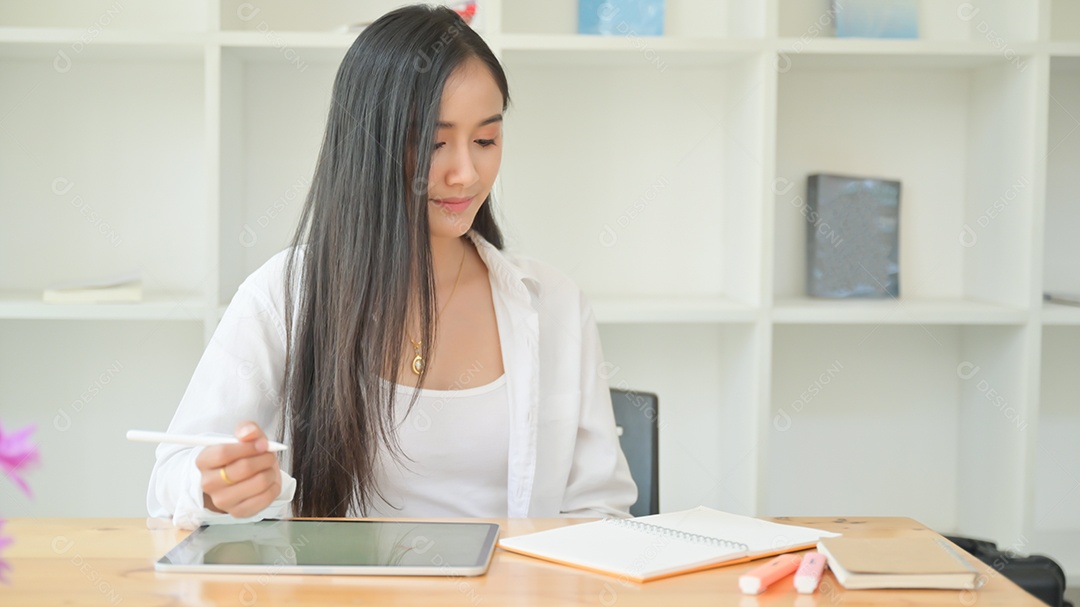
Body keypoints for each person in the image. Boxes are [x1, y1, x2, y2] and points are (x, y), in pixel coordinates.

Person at [147, 4, 636, 529]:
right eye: (433, 142)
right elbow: (169, 481)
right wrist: (220, 486)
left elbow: (599, 510)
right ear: (367, 143)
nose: (466, 173)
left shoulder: (554, 303)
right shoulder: (284, 295)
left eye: (486, 140)